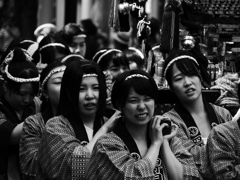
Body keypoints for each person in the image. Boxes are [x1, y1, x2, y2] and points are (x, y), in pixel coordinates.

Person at [86, 69, 201, 180]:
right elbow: (133, 177)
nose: (141, 106)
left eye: (147, 99)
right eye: (133, 100)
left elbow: (186, 176)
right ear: (119, 105)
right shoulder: (107, 144)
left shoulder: (168, 138)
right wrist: (155, 144)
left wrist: (164, 143)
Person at [38, 59, 121, 179]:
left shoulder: (111, 121)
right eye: (81, 89)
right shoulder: (55, 126)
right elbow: (76, 166)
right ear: (69, 93)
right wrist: (104, 130)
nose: (90, 96)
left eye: (96, 88)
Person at [162, 49, 232, 178]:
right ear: (171, 87)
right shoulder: (169, 122)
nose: (187, 82)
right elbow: (187, 160)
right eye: (178, 78)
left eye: (191, 74)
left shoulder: (223, 114)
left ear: (200, 76)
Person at [19, 61, 66, 179]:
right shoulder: (34, 123)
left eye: (71, 82)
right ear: (45, 92)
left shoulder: (92, 120)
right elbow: (31, 168)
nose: (66, 87)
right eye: (59, 82)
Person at [0, 48, 41, 180]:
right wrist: (48, 115)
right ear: (6, 86)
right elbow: (11, 136)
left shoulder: (36, 103)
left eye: (32, 94)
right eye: (22, 94)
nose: (27, 100)